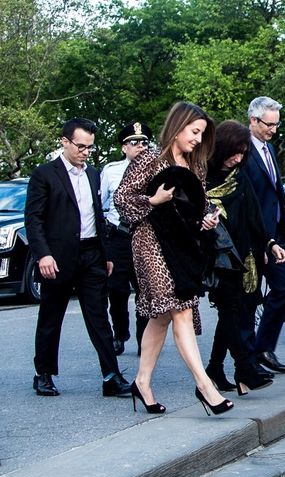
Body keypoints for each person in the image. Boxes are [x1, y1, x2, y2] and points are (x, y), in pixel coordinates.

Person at [115, 101, 233, 415]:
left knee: (162, 316)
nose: (198, 139)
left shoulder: (196, 165)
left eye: (202, 134)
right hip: (150, 243)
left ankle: (141, 382)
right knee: (180, 309)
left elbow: (199, 204)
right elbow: (121, 198)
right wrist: (152, 200)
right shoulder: (149, 159)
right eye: (194, 131)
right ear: (178, 127)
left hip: (181, 246)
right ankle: (205, 386)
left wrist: (207, 217)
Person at [25, 118, 133, 398]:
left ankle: (111, 376)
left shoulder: (93, 174)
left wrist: (106, 254)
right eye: (80, 146)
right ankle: (43, 374)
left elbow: (98, 215)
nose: (85, 152)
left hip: (92, 255)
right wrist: (43, 255)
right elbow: (33, 220)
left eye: (90, 147)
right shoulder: (44, 174)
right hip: (58, 258)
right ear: (65, 141)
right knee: (51, 318)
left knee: (99, 318)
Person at [204, 120, 283, 393]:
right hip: (219, 256)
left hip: (246, 254)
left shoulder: (239, 175)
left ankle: (215, 367)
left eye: (242, 153)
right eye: (233, 153)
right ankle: (244, 367)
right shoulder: (202, 175)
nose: (237, 159)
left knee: (233, 311)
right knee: (229, 310)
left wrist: (269, 243)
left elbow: (253, 213)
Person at [243, 96, 285, 375]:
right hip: (252, 237)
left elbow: (274, 193)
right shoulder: (242, 150)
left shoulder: (269, 148)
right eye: (268, 124)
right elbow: (247, 198)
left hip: (275, 233)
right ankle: (246, 360)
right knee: (248, 299)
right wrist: (263, 237)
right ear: (253, 120)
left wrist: (280, 226)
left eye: (276, 124)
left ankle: (264, 347)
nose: (273, 130)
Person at [101, 122, 153, 356]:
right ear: (124, 147)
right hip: (119, 237)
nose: (140, 146)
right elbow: (100, 205)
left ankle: (144, 339)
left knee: (145, 290)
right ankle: (120, 333)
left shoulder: (155, 169)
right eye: (134, 142)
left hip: (144, 235)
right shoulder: (111, 171)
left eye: (144, 142)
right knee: (117, 289)